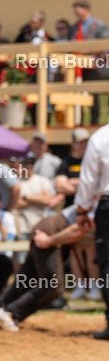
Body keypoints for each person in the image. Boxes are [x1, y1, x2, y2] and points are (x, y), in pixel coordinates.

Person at [0, 205, 90, 333]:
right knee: (53, 286)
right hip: (50, 231)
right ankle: (9, 313)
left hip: (49, 229)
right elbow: (77, 229)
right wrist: (49, 240)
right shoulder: (101, 199)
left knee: (26, 278)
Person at [73, 123, 109, 339]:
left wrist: (83, 208)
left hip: (107, 205)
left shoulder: (101, 137)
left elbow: (87, 179)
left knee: (107, 264)